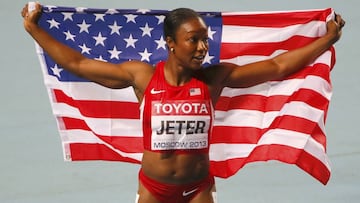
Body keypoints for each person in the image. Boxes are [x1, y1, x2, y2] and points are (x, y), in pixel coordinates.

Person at [21, 2, 345, 203]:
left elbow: (277, 66)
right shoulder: (144, 77)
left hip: (197, 190)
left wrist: (327, 38)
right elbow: (78, 64)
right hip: (153, 190)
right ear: (171, 43)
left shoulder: (212, 78)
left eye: (205, 39)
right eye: (194, 39)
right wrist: (33, 28)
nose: (203, 47)